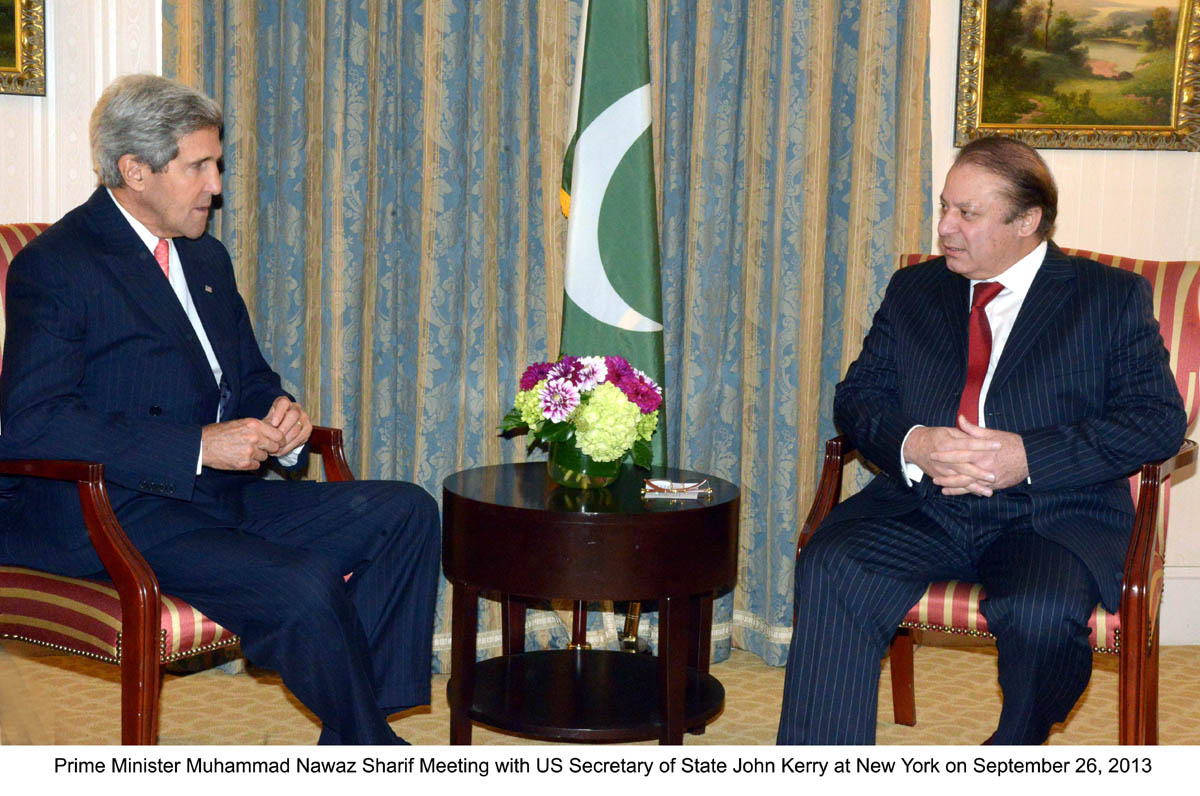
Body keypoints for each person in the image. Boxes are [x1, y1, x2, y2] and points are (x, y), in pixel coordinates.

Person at [0, 74, 440, 745]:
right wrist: (198, 446)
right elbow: (34, 425)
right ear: (134, 170)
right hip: (115, 511)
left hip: (212, 498)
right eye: (199, 166)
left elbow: (248, 375)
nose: (217, 186)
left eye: (217, 164)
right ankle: (368, 747)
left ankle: (356, 732)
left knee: (406, 511)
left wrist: (280, 416)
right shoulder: (58, 266)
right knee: (302, 585)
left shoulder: (204, 254)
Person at [777, 136, 1187, 745]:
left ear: (1028, 221)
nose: (944, 227)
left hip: (1047, 516)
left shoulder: (1106, 298)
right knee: (833, 566)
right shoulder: (915, 288)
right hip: (922, 506)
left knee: (1040, 615)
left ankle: (1013, 753)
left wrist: (1026, 458)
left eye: (967, 214)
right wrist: (914, 444)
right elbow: (857, 398)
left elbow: (1157, 419)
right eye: (945, 206)